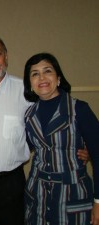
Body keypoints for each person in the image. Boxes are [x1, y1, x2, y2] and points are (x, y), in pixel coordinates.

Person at [0, 33, 90, 225]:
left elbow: (52, 123)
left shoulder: (26, 92)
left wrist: (81, 145)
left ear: (6, 56)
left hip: (11, 183)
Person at [23, 52, 99, 225]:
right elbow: (21, 149)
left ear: (58, 78)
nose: (41, 77)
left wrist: (98, 202)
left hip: (72, 194)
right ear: (30, 84)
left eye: (47, 71)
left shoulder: (79, 109)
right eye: (35, 73)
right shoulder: (28, 115)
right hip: (37, 194)